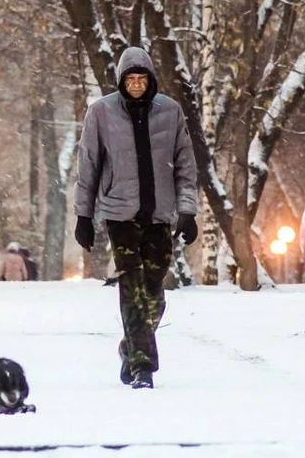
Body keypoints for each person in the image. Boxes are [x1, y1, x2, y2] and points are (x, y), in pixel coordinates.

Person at [74, 46, 198, 390]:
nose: (137, 84)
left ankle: (130, 346)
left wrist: (187, 211)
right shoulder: (101, 112)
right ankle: (143, 366)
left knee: (154, 289)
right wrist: (83, 215)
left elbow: (185, 164)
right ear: (122, 81)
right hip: (120, 213)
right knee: (132, 285)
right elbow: (89, 166)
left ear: (151, 80)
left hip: (160, 214)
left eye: (143, 78)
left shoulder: (170, 112)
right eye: (131, 78)